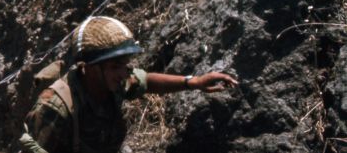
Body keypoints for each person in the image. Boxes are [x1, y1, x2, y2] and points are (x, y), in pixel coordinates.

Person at [20, 16, 239, 153]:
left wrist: (194, 82)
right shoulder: (55, 108)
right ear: (91, 68)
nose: (125, 73)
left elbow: (147, 81)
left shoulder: (112, 80)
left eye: (125, 65)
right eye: (116, 66)